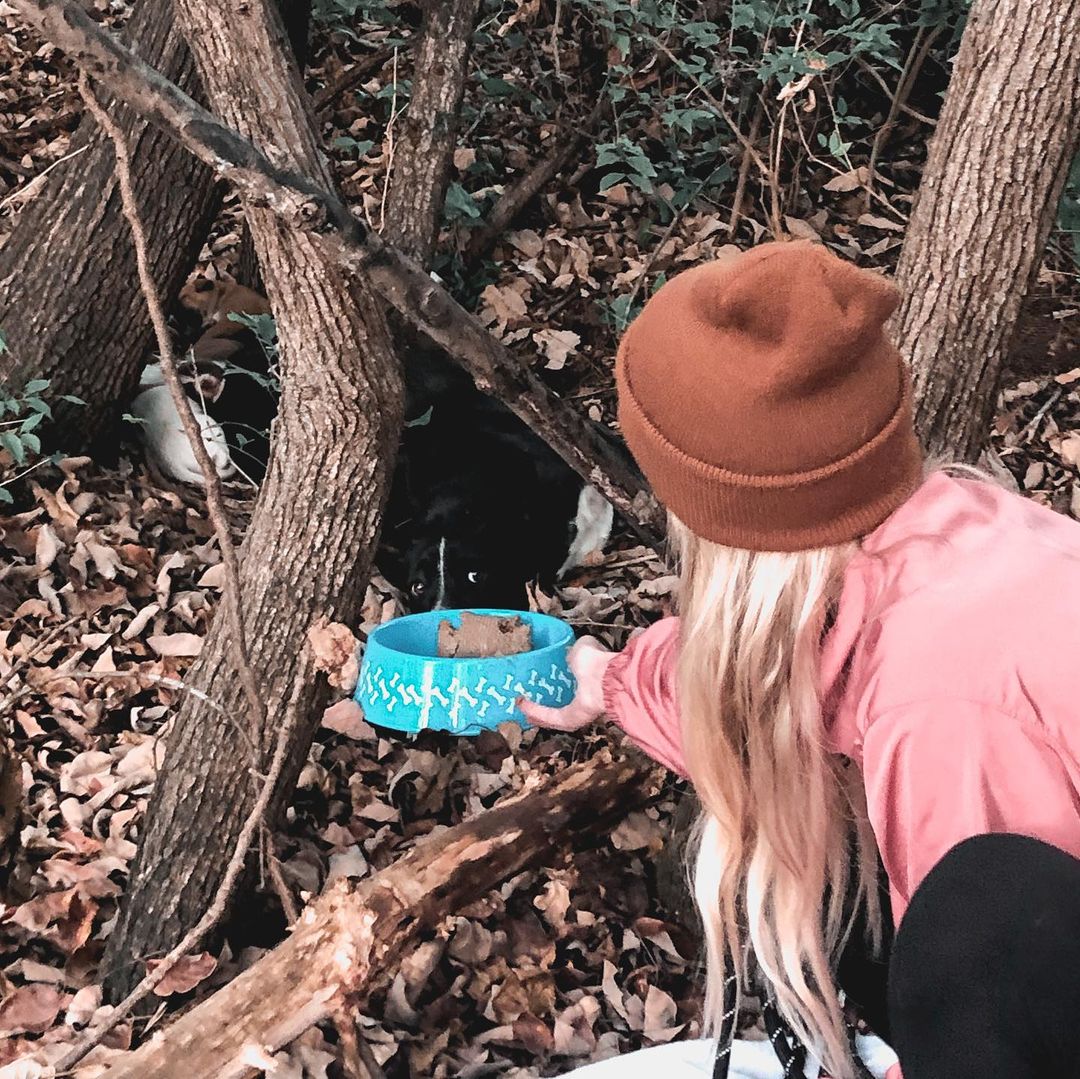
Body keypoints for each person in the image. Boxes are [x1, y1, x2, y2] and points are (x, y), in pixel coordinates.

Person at [519, 241, 1080, 1079]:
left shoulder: (946, 706)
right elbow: (781, 690)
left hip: (1025, 974)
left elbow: (1001, 987)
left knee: (964, 909)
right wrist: (608, 681)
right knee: (812, 821)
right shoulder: (942, 537)